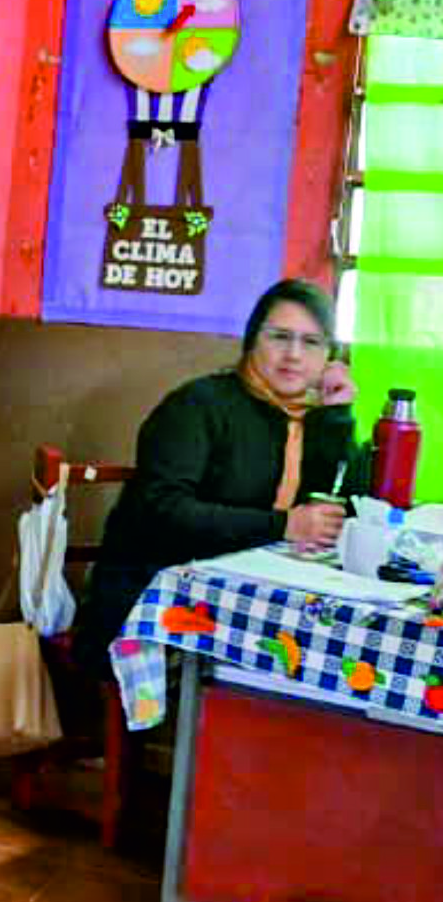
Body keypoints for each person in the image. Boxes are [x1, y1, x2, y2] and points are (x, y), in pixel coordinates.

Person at [83, 279, 361, 663]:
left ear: (331, 356)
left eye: (312, 342)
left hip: (250, 603)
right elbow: (162, 511)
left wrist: (337, 417)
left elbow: (346, 508)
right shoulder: (197, 406)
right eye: (279, 337)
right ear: (252, 341)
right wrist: (283, 526)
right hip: (154, 601)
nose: (294, 355)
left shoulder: (311, 419)